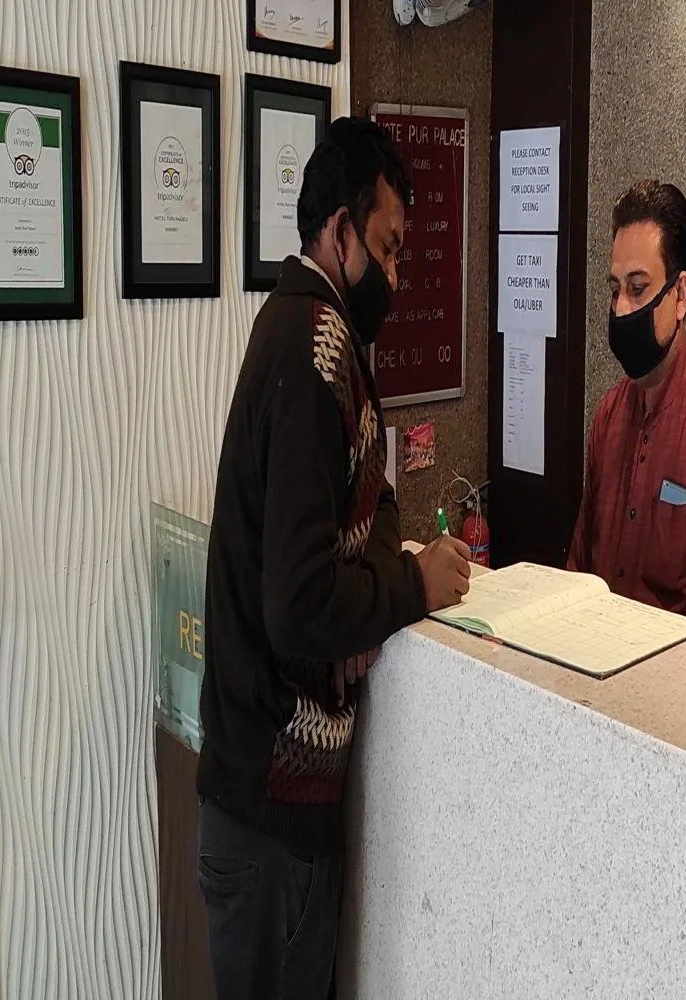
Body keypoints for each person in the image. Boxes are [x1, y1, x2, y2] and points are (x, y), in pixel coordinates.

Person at [196, 117, 472, 1000]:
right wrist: (412, 585)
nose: (396, 276)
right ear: (341, 230)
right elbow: (300, 604)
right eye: (387, 248)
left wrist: (371, 587)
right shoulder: (315, 348)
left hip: (270, 816)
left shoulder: (319, 335)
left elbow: (375, 500)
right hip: (269, 818)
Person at [568, 180, 686, 662]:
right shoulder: (608, 416)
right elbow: (578, 572)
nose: (621, 309)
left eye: (638, 289)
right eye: (615, 290)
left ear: (680, 295)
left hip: (677, 692)